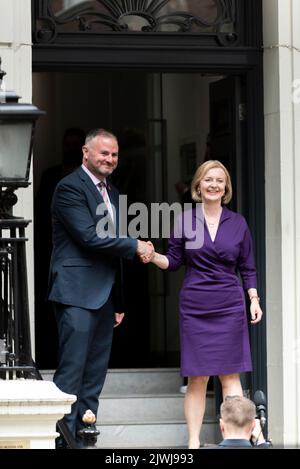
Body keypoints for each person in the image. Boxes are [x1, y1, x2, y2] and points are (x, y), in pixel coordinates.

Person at [142, 160, 263, 449]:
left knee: (230, 376)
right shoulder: (185, 220)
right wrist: (151, 255)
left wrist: (253, 299)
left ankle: (235, 440)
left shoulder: (238, 223)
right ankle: (194, 443)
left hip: (230, 305)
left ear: (226, 188)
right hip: (196, 307)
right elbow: (173, 262)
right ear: (198, 185)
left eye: (219, 181)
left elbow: (248, 267)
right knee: (198, 378)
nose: (214, 185)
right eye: (208, 180)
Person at [48, 128, 153, 447]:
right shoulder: (69, 188)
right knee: (71, 376)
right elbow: (90, 237)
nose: (109, 159)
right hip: (76, 293)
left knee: (93, 380)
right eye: (103, 153)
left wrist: (119, 300)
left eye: (114, 154)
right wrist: (135, 245)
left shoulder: (115, 193)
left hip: (104, 298)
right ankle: (62, 443)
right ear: (86, 153)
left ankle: (84, 438)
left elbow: (113, 255)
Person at [34, 127, 86, 369]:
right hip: (50, 254)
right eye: (69, 144)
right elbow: (40, 213)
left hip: (87, 263)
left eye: (77, 144)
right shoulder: (50, 175)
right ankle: (46, 357)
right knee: (50, 313)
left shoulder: (96, 182)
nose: (72, 149)